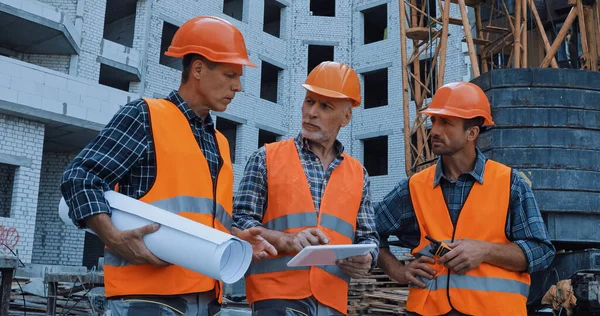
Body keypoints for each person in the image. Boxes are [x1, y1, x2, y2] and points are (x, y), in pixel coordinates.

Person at [60, 16, 276, 316]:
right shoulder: (145, 116)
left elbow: (197, 216)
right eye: (230, 74)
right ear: (198, 69)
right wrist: (111, 236)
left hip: (206, 298)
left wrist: (237, 237)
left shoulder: (219, 142)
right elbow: (80, 177)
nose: (238, 87)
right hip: (146, 300)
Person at [375, 81, 556, 316]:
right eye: (434, 121)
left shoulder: (510, 183)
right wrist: (397, 271)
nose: (434, 131)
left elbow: (541, 251)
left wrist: (485, 251)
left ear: (472, 133)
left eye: (446, 122)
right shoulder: (414, 187)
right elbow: (368, 229)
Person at [232, 61, 380, 316]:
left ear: (346, 117)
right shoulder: (266, 158)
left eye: (325, 106)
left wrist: (367, 258)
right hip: (276, 297)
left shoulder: (359, 174)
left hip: (332, 299)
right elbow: (239, 223)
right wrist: (286, 240)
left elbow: (369, 237)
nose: (311, 112)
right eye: (309, 101)